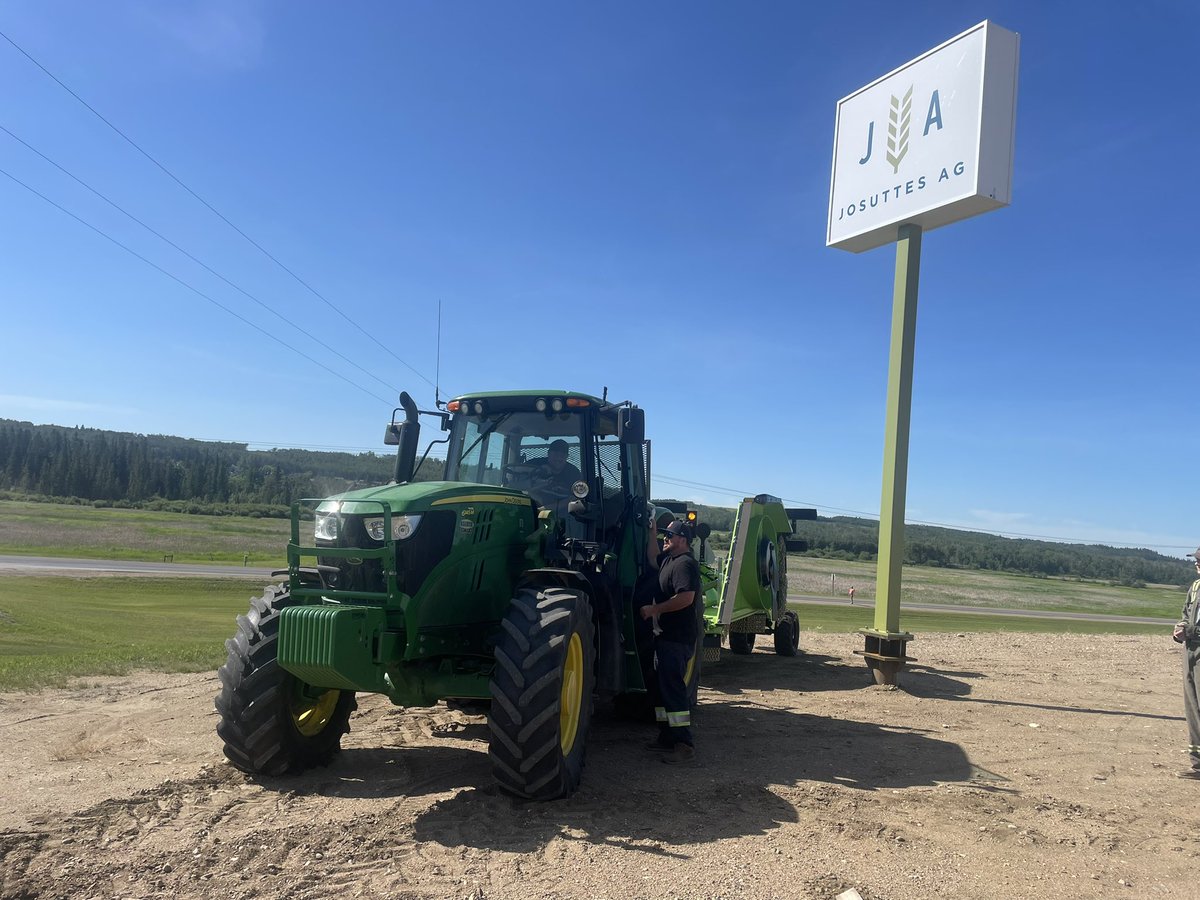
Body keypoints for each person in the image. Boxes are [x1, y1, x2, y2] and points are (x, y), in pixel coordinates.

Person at [640, 518, 701, 765]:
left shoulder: (685, 564)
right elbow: (653, 556)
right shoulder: (669, 560)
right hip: (665, 638)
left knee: (673, 690)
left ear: (682, 540)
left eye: (669, 536)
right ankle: (666, 737)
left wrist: (656, 610)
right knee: (660, 689)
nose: (666, 539)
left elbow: (686, 597)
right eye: (665, 535)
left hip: (677, 639)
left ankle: (683, 744)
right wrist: (652, 531)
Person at [1174, 548, 1200, 779]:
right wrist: (1180, 629)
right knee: (1192, 705)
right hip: (1190, 650)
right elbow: (1186, 613)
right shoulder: (1195, 587)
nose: (1196, 565)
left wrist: (1191, 630)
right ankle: (1198, 765)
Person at [526, 439, 582, 507]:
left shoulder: (573, 472)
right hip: (531, 507)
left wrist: (546, 509)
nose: (558, 458)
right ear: (548, 453)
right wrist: (538, 469)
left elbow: (577, 497)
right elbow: (516, 472)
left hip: (561, 514)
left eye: (562, 455)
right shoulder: (535, 463)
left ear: (567, 456)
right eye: (555, 454)